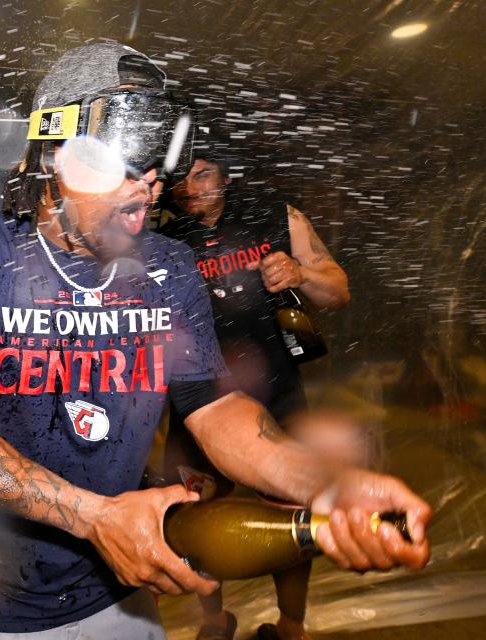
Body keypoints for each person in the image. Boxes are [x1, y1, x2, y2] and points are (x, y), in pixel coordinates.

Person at [0, 41, 432, 639]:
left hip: (120, 597)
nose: (147, 188)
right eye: (122, 162)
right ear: (53, 153)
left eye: (156, 167)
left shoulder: (169, 268)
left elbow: (214, 406)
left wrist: (325, 484)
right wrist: (95, 519)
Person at [158, 135, 350, 640]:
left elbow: (338, 290)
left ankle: (291, 626)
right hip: (197, 394)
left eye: (202, 174)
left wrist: (300, 271)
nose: (190, 188)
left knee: (290, 512)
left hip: (276, 388)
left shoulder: (276, 216)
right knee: (192, 510)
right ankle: (213, 621)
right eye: (181, 178)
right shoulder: (165, 234)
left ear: (226, 175)